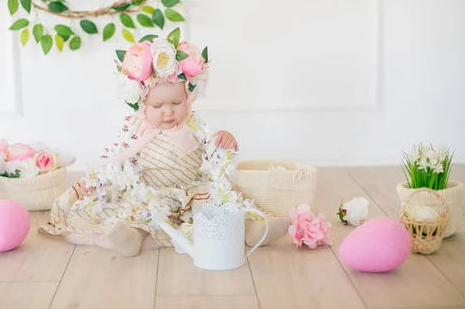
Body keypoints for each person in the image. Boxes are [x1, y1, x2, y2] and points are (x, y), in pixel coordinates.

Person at [38, 29, 288, 256]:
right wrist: (96, 179)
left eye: (176, 103)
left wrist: (224, 141)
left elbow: (214, 154)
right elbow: (116, 157)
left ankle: (253, 227)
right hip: (151, 191)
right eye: (158, 106)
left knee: (224, 199)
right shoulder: (135, 128)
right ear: (142, 103)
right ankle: (131, 236)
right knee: (141, 212)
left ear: (188, 99)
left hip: (192, 189)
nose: (168, 112)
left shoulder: (193, 123)